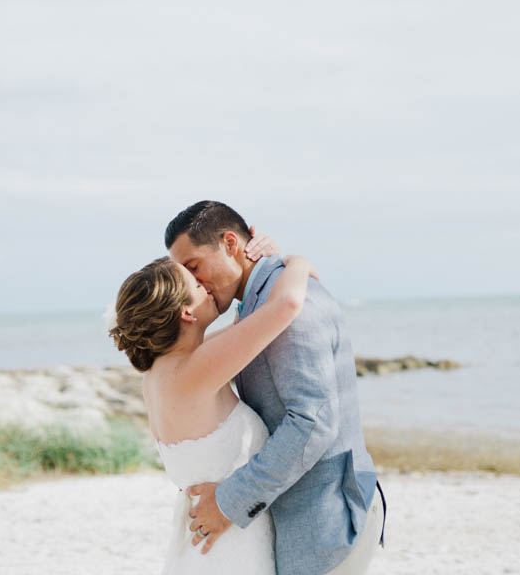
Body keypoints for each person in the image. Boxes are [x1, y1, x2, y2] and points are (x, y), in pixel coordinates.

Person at [165, 200, 385, 575]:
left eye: (194, 267)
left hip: (327, 518)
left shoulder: (288, 304)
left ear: (231, 244)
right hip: (304, 517)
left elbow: (313, 422)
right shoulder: (259, 303)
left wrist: (228, 502)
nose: (194, 284)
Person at [110, 241, 314, 575]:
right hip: (230, 548)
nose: (207, 285)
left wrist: (257, 258)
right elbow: (287, 304)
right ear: (186, 312)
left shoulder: (162, 372)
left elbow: (245, 326)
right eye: (197, 285)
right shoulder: (194, 371)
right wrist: (297, 261)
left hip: (205, 544)